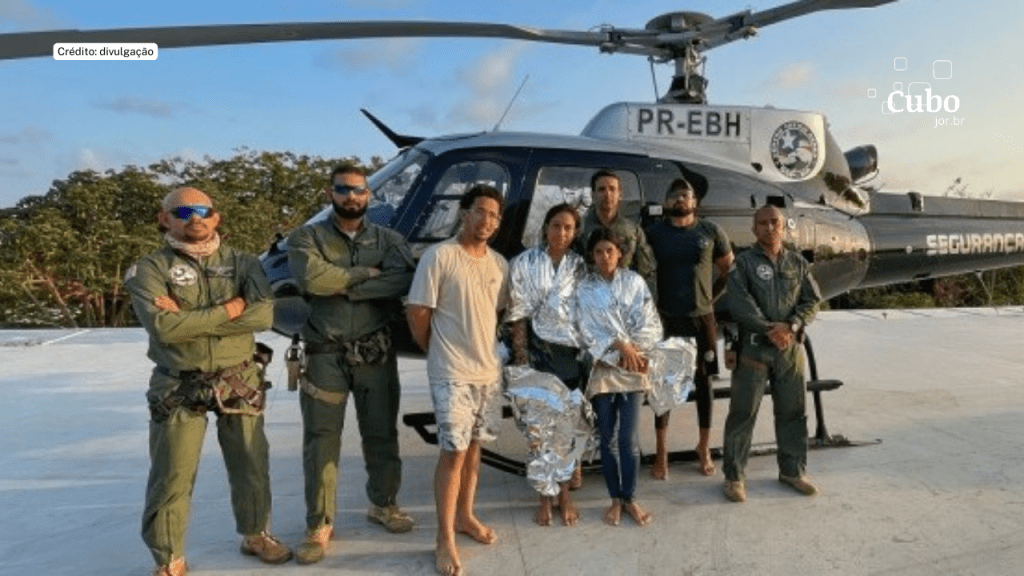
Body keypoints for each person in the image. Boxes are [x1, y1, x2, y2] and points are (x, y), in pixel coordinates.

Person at [127, 187, 291, 576]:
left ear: (216, 217)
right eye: (183, 212)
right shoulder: (148, 269)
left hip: (238, 378)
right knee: (172, 472)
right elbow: (164, 328)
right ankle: (168, 557)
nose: (195, 218)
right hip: (178, 383)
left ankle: (256, 535)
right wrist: (229, 309)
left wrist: (188, 318)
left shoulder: (244, 263)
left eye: (203, 210)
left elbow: (263, 317)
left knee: (251, 462)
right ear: (164, 219)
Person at [287, 165, 417, 564]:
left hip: (374, 353)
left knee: (381, 434)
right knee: (321, 440)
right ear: (330, 193)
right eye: (343, 189)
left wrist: (344, 286)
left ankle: (384, 504)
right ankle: (319, 523)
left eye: (359, 190)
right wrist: (362, 274)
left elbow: (402, 280)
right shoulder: (307, 237)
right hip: (324, 354)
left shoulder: (390, 240)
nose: (351, 197)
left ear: (368, 195)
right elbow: (312, 280)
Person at [406, 184, 509, 576]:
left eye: (494, 215)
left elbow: (496, 313)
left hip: (488, 372)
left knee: (475, 447)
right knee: (453, 452)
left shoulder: (499, 264)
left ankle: (466, 515)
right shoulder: (440, 256)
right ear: (464, 213)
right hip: (451, 372)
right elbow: (418, 313)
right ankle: (444, 537)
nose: (487, 220)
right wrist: (436, 350)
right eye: (481, 211)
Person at [721, 205, 823, 503]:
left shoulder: (797, 263)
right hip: (754, 350)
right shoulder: (743, 264)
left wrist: (792, 325)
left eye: (774, 222)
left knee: (793, 412)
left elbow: (812, 300)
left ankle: (793, 471)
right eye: (762, 223)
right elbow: (740, 303)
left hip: (789, 352)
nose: (769, 228)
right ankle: (734, 477)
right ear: (754, 229)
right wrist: (769, 329)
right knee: (743, 413)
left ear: (784, 226)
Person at [645, 177, 733, 479]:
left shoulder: (710, 231)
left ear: (695, 202)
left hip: (701, 320)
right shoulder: (654, 233)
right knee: (663, 386)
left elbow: (728, 269)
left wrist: (710, 299)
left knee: (704, 383)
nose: (680, 199)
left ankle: (703, 447)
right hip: (667, 320)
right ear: (666, 202)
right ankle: (662, 452)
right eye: (675, 195)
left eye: (686, 195)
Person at [507, 202, 588, 527]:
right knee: (539, 429)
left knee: (566, 427)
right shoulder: (525, 262)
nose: (561, 233)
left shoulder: (580, 266)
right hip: (536, 354)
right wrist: (522, 357)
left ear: (575, 232)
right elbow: (517, 313)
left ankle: (564, 494)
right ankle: (544, 495)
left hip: (569, 357)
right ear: (545, 228)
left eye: (568, 228)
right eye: (556, 225)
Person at [576, 228, 662, 527]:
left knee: (629, 439)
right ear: (592, 256)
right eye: (598, 252)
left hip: (633, 367)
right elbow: (586, 330)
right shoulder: (584, 289)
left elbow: (650, 322)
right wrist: (617, 346)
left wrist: (632, 351)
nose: (605, 257)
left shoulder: (635, 282)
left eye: (609, 251)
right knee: (607, 439)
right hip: (603, 369)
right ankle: (614, 499)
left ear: (620, 253)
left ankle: (631, 498)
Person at [579, 169, 657, 298]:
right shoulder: (579, 229)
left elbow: (647, 273)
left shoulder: (632, 230)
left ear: (620, 194)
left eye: (612, 189)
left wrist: (645, 304)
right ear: (593, 195)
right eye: (601, 189)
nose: (607, 194)